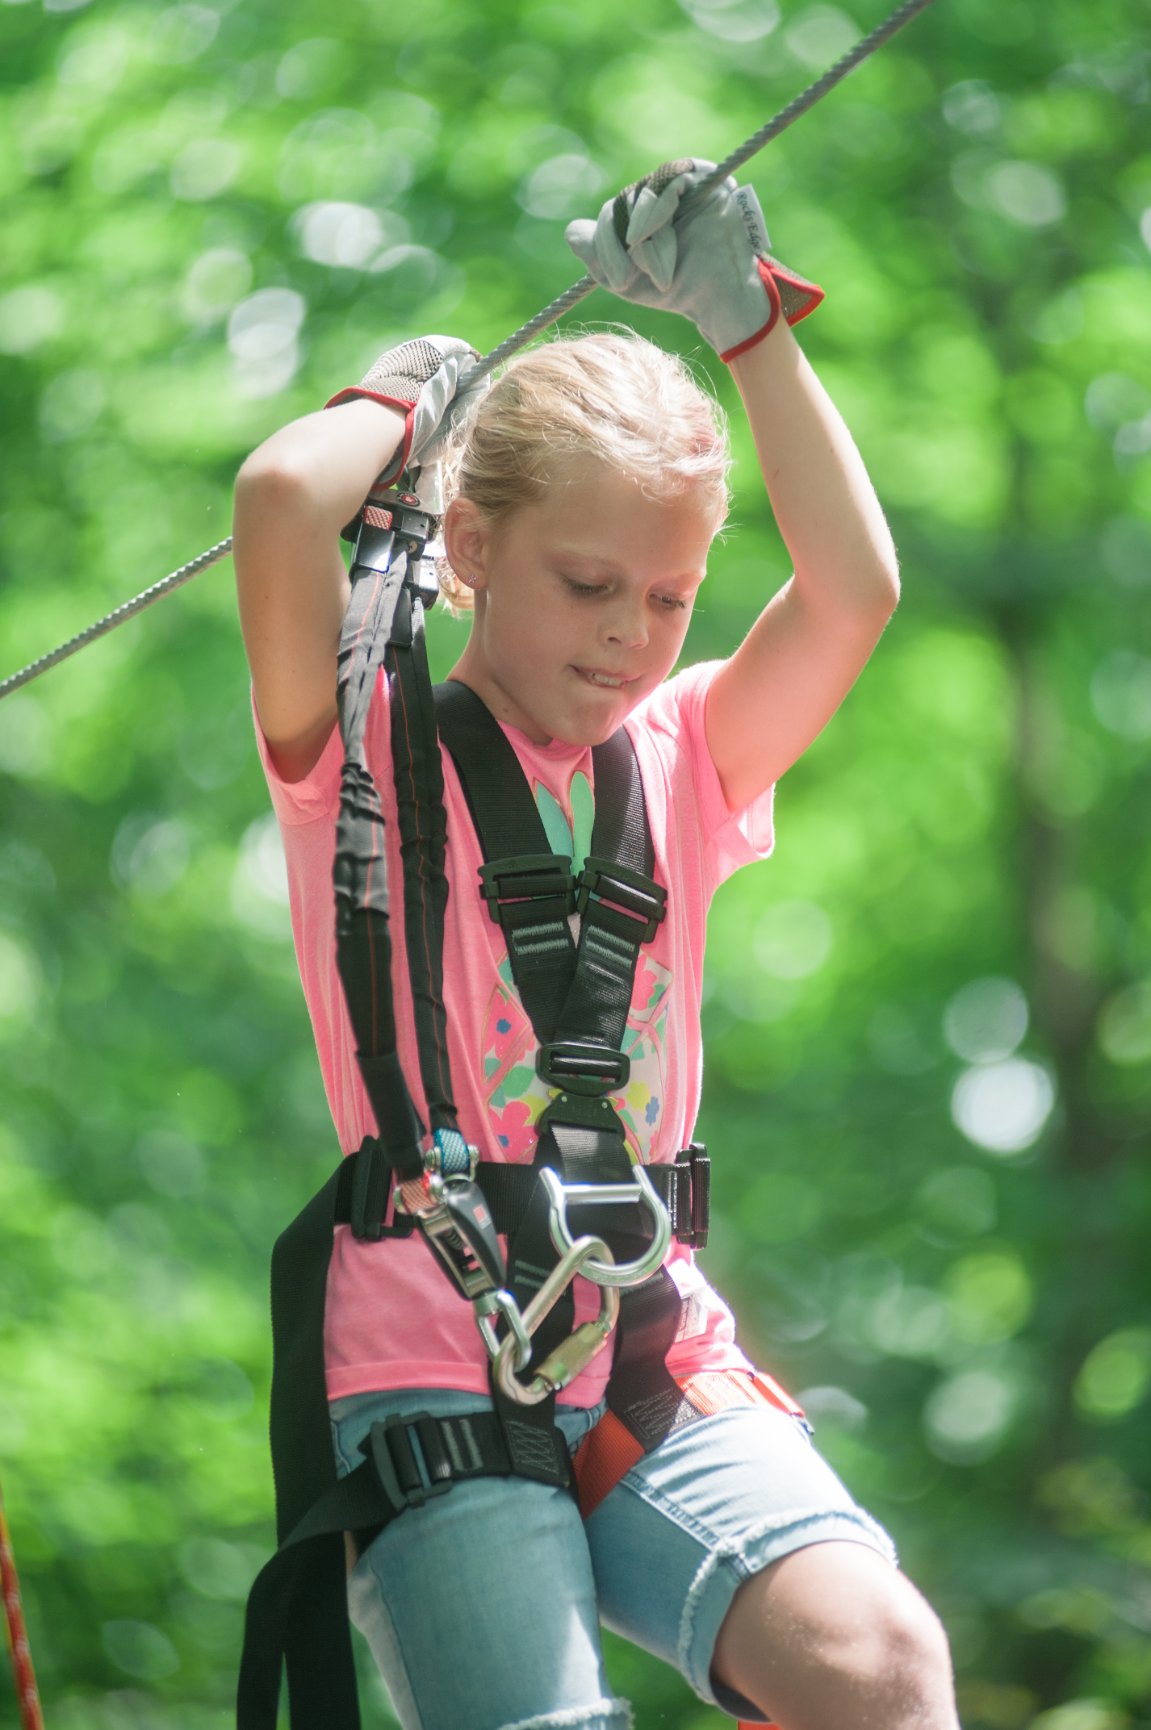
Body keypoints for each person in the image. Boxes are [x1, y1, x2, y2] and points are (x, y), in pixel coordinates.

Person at [233, 162, 961, 1730]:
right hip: (431, 1350)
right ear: (474, 550)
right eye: (588, 584)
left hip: (644, 1336)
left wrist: (754, 335)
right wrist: (416, 393)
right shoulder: (360, 757)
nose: (633, 634)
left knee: (882, 1666)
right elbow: (287, 500)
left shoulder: (683, 757)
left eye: (670, 595)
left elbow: (852, 592)